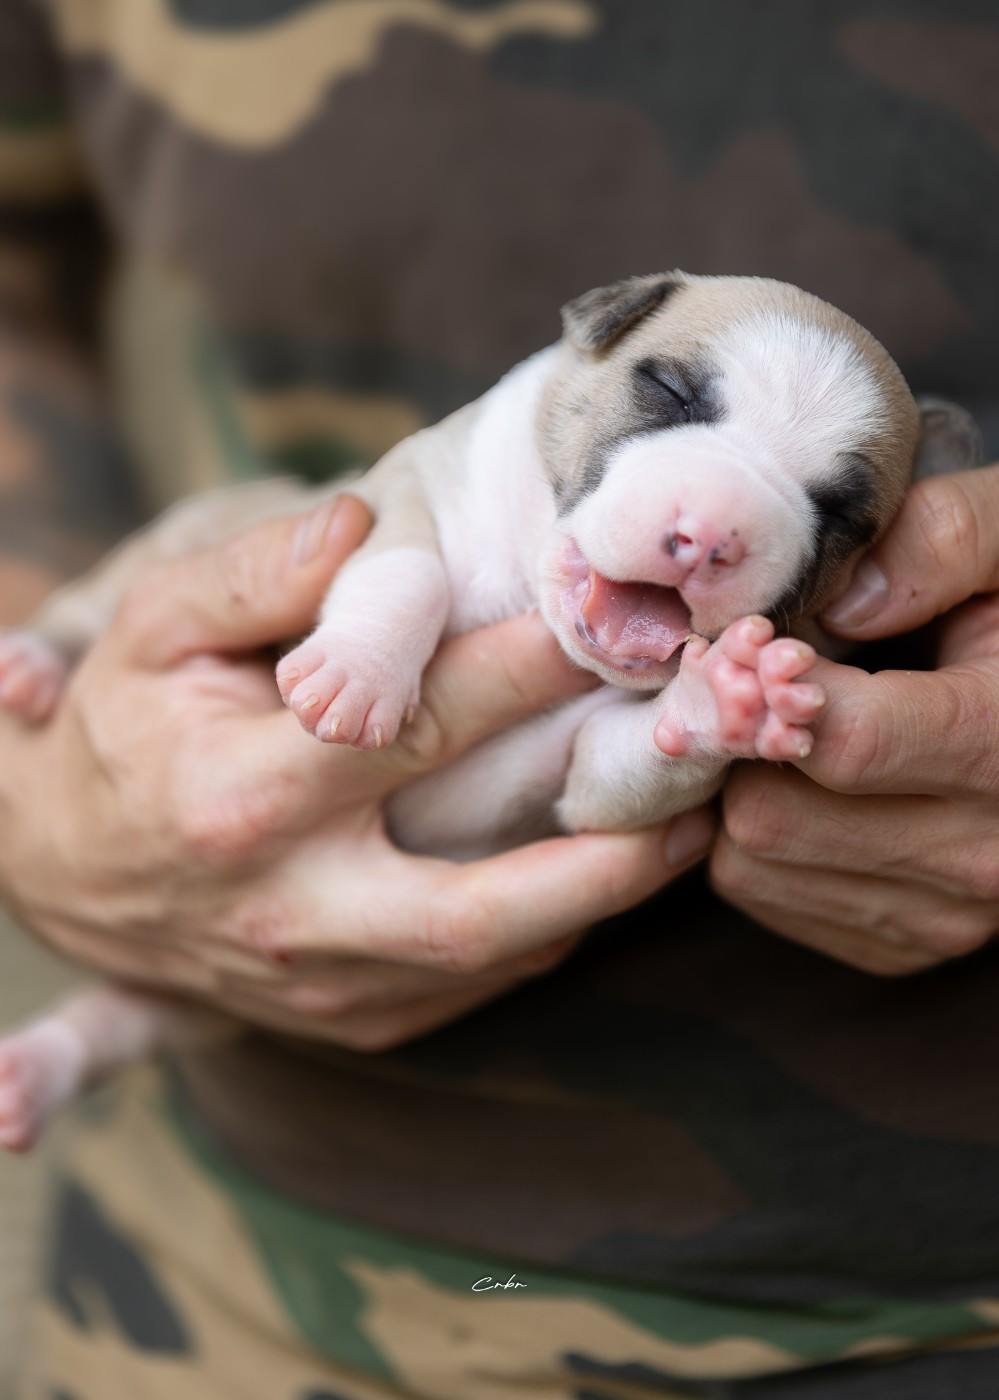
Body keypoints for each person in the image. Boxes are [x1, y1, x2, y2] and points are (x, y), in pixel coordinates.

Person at [1, 2, 999, 1396]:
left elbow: (606, 792)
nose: (716, 527)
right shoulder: (504, 453)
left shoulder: (699, 629)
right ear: (605, 337)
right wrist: (35, 750)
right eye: (669, 400)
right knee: (222, 565)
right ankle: (53, 680)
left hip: (928, 1305)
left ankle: (61, 1043)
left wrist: (688, 732)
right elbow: (394, 523)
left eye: (823, 509)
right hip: (244, 1263)